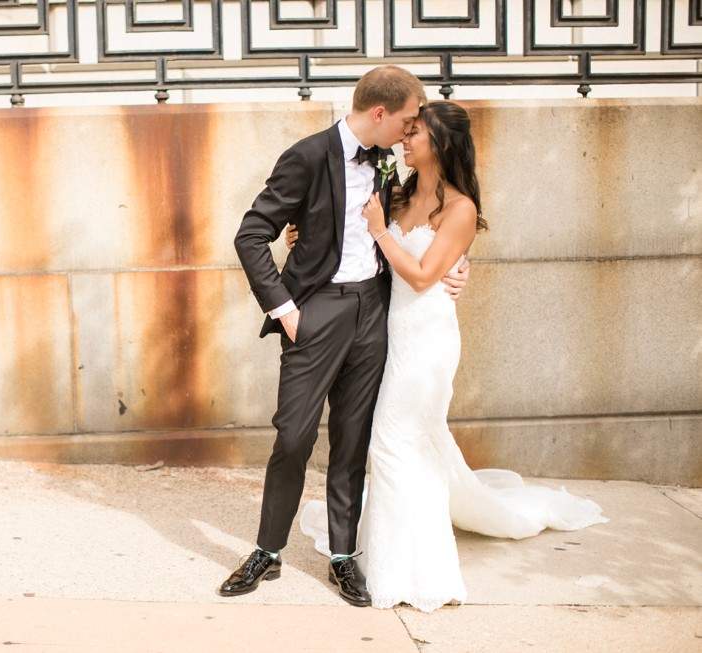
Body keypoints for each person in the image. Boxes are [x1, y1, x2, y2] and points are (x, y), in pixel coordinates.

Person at [298, 100, 608, 612]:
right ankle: (387, 555)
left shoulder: (460, 208)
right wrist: (305, 233)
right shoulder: (394, 194)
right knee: (402, 447)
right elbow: (354, 240)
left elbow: (421, 276)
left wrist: (382, 232)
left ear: (439, 144)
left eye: (414, 132)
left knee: (394, 442)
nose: (404, 138)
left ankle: (419, 573)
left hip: (427, 342)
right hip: (388, 335)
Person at [222, 66, 471, 607]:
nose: (410, 135)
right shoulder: (308, 156)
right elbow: (251, 234)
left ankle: (343, 557)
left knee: (354, 440)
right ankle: (268, 550)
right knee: (293, 435)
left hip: (376, 312)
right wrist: (286, 310)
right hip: (316, 313)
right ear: (380, 114)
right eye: (407, 122)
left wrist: (455, 267)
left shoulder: (391, 167)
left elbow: (425, 227)